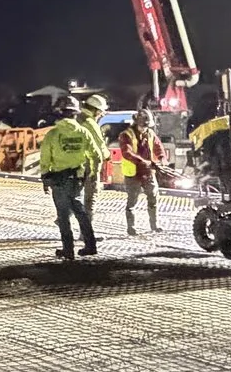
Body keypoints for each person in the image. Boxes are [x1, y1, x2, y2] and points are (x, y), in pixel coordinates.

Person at [37, 95, 103, 260]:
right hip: (77, 179)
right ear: (75, 113)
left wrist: (45, 178)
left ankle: (68, 250)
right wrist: (93, 173)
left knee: (63, 216)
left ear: (59, 113)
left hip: (59, 180)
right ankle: (90, 245)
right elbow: (97, 156)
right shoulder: (83, 132)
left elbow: (45, 159)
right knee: (81, 212)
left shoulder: (53, 134)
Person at [118, 110, 163, 235]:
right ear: (136, 123)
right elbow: (127, 153)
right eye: (143, 126)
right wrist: (143, 161)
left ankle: (154, 225)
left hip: (148, 172)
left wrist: (161, 158)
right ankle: (131, 228)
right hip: (133, 173)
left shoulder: (150, 133)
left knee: (153, 197)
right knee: (132, 201)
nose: (145, 128)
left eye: (147, 126)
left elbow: (158, 146)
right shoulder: (126, 135)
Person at [76, 93, 111, 229]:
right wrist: (108, 156)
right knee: (90, 199)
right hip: (88, 165)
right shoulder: (90, 123)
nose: (102, 115)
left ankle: (64, 218)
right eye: (101, 112)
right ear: (95, 110)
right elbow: (100, 146)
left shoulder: (76, 119)